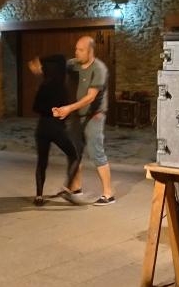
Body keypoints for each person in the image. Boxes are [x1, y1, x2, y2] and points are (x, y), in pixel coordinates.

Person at [53, 36, 115, 206]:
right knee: (74, 152)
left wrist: (68, 108)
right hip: (77, 116)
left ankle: (108, 194)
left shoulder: (99, 69)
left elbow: (90, 97)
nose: (77, 52)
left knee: (96, 153)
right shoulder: (74, 64)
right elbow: (57, 69)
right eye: (76, 49)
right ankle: (76, 188)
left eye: (81, 50)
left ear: (90, 51)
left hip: (94, 116)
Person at [28, 55, 81, 206]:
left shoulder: (43, 86)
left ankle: (39, 196)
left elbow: (35, 108)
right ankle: (67, 188)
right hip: (56, 128)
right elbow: (66, 111)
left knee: (42, 161)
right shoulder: (61, 87)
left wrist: (40, 62)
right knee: (74, 155)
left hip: (42, 127)